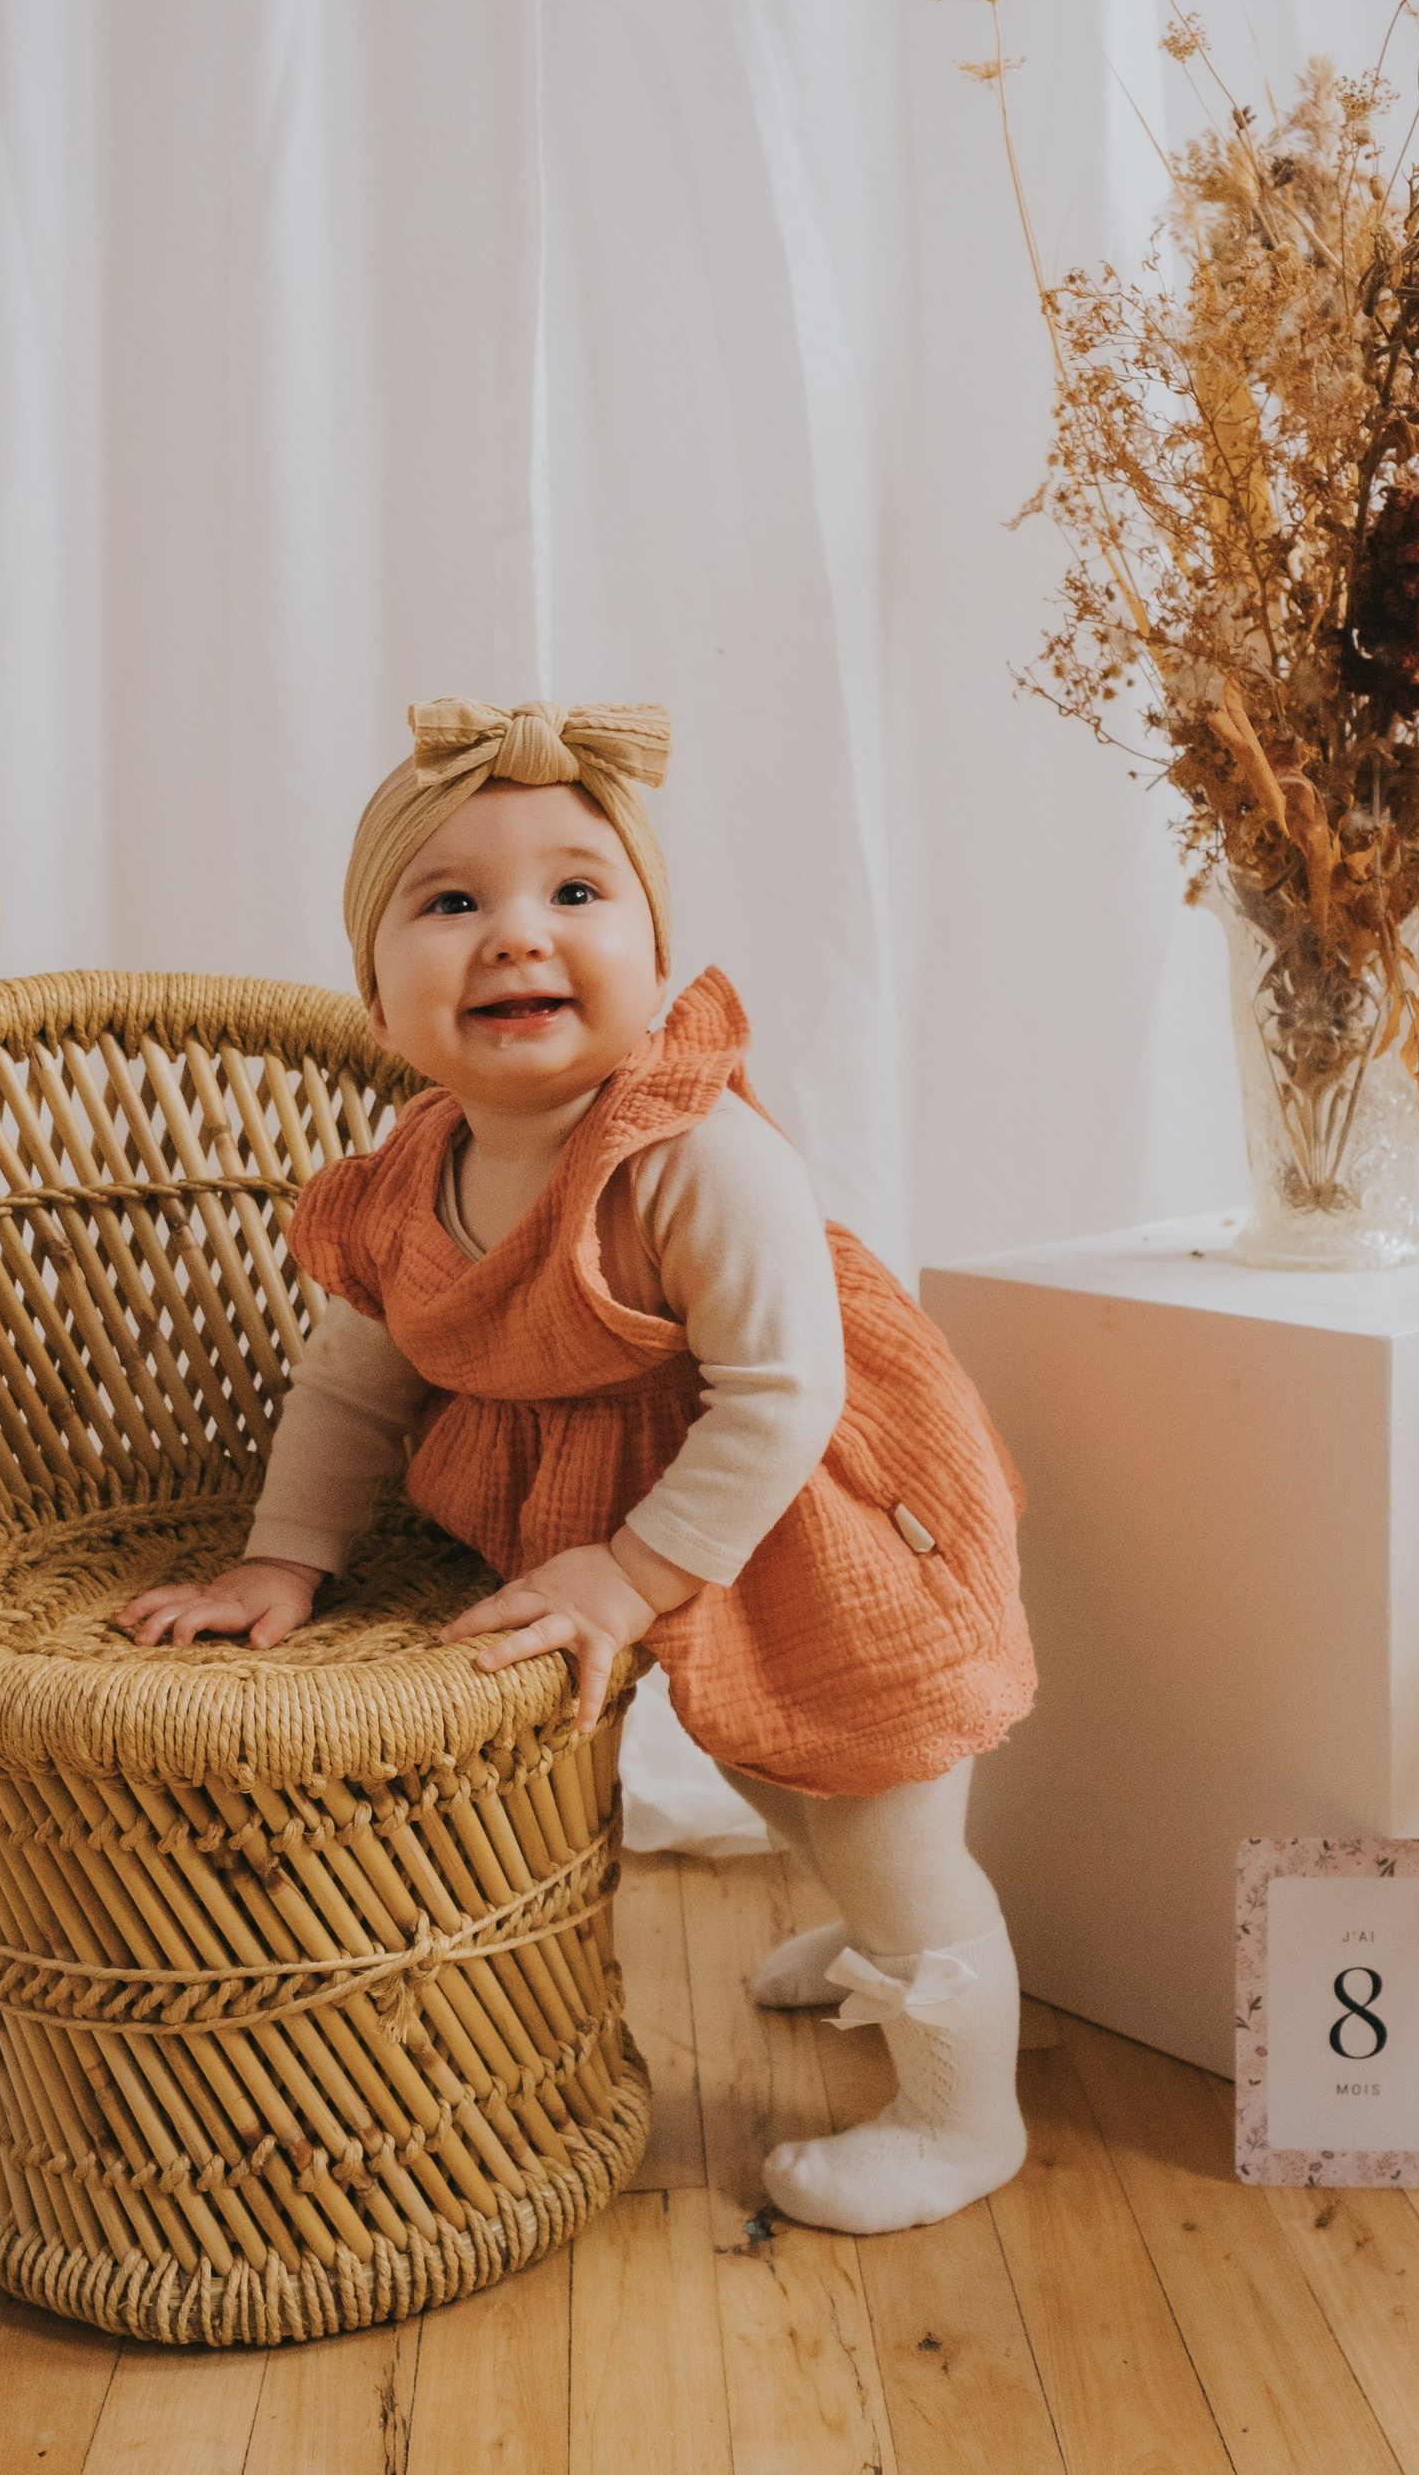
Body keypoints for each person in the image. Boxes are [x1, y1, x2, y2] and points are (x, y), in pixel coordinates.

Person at [116, 698, 1036, 2233]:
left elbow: (784, 1390)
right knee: (768, 1757)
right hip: (690, 1532)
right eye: (452, 900)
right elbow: (356, 1373)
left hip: (828, 1513)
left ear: (659, 957)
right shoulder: (424, 1168)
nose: (514, 934)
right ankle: (871, 1925)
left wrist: (625, 1569)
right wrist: (282, 1557)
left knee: (882, 1798)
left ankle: (964, 2106)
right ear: (375, 985)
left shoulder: (689, 1153)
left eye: (576, 891)